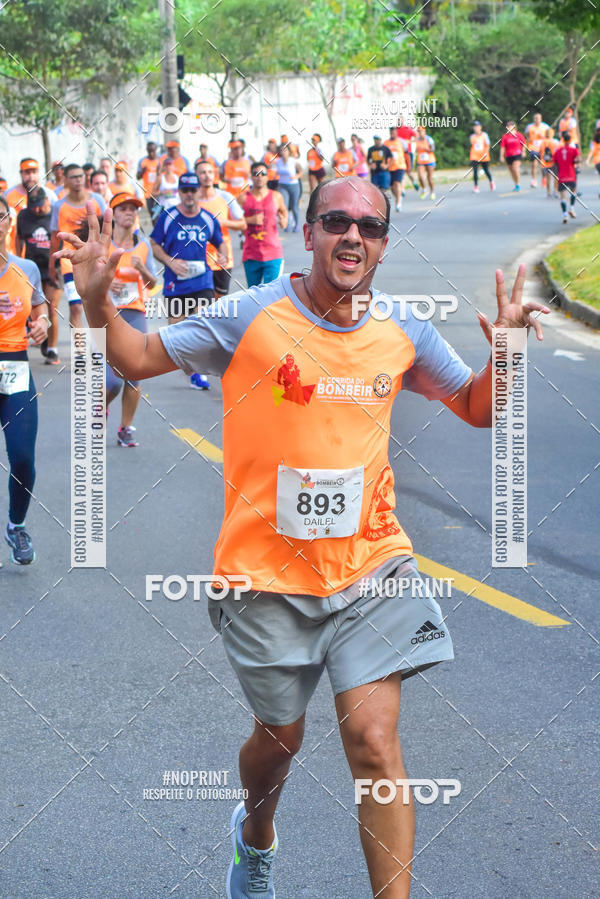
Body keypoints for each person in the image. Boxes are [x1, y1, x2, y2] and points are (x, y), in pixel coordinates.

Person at [61, 174, 549, 899]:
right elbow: (134, 359)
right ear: (309, 231)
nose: (353, 234)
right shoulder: (248, 316)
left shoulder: (403, 329)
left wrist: (506, 349)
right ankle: (254, 834)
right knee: (279, 743)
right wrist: (98, 300)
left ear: (383, 246)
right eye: (336, 220)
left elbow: (477, 406)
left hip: (371, 564)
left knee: (376, 743)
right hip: (265, 575)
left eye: (370, 226)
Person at [0, 193, 49, 565]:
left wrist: (43, 322)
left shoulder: (26, 268)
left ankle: (16, 525)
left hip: (15, 367)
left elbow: (39, 306)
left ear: (8, 222)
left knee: (22, 458)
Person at [149, 172, 226, 390]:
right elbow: (154, 243)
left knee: (203, 327)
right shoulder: (168, 216)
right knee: (176, 333)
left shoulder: (208, 218)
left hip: (202, 282)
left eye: (193, 190)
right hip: (175, 283)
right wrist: (168, 262)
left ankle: (198, 374)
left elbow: (220, 242)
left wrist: (222, 255)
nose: (189, 195)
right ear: (179, 192)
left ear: (199, 191)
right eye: (185, 191)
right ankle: (191, 371)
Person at [103, 193, 157, 446]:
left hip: (135, 313)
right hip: (105, 314)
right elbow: (89, 279)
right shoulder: (103, 245)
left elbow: (153, 282)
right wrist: (105, 282)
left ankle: (125, 428)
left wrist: (143, 269)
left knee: (135, 374)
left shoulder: (143, 245)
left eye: (132, 209)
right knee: (112, 381)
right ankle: (99, 408)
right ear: (113, 214)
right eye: (123, 209)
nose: (129, 213)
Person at [49, 163, 106, 329]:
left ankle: (98, 352)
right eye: (73, 177)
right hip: (70, 263)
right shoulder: (58, 206)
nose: (78, 180)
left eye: (81, 176)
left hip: (95, 261)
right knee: (75, 308)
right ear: (65, 179)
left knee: (96, 307)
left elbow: (106, 232)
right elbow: (54, 238)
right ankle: (80, 353)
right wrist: (52, 266)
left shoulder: (97, 200)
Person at [15, 187, 62, 365]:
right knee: (31, 307)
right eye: (32, 206)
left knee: (52, 307)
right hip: (31, 266)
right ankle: (42, 336)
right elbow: (19, 238)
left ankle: (52, 350)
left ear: (47, 201)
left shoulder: (54, 216)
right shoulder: (23, 216)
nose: (36, 209)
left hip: (54, 266)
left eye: (40, 206)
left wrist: (57, 266)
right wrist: (18, 261)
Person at [196, 159, 246, 298]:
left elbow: (242, 225)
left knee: (220, 303)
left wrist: (223, 222)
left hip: (222, 258)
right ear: (196, 175)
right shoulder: (191, 200)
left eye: (210, 172)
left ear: (215, 175)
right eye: (203, 172)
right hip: (198, 259)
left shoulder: (225, 196)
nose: (207, 176)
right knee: (201, 304)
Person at [242, 161, 287, 286]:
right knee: (253, 296)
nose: (259, 177)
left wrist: (284, 220)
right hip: (251, 254)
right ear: (251, 176)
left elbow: (283, 212)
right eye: (256, 174)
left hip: (273, 254)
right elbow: (235, 222)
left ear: (267, 176)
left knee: (272, 295)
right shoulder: (243, 198)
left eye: (263, 174)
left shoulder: (276, 196)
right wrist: (250, 220)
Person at [5, 158, 57, 251]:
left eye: (34, 172)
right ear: (21, 173)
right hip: (14, 250)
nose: (31, 176)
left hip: (43, 250)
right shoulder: (8, 195)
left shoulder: (49, 195)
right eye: (27, 173)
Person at [553, 133, 581, 224]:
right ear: (570, 140)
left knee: (563, 197)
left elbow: (554, 164)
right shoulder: (574, 150)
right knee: (574, 192)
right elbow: (578, 160)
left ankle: (565, 215)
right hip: (571, 175)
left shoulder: (558, 151)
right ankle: (572, 208)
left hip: (562, 176)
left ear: (563, 140)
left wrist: (556, 174)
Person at [274, 144, 302, 232]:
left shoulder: (293, 161)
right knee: (283, 206)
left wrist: (296, 176)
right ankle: (286, 224)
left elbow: (301, 172)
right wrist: (274, 176)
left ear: (289, 152)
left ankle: (296, 225)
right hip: (282, 185)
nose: (283, 152)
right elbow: (275, 172)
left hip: (294, 185)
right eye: (282, 150)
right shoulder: (278, 162)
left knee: (294, 207)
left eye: (285, 150)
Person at [499, 120, 527, 191]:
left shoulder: (519, 135)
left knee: (515, 168)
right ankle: (516, 184)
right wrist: (501, 156)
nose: (508, 127)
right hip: (508, 155)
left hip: (517, 154)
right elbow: (503, 147)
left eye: (510, 126)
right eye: (507, 126)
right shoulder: (505, 136)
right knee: (511, 170)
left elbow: (524, 144)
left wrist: (523, 152)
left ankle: (518, 184)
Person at [384, 126, 407, 210]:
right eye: (391, 133)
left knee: (397, 183)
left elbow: (407, 153)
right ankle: (399, 197)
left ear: (396, 133)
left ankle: (398, 203)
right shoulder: (386, 143)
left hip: (400, 166)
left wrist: (409, 165)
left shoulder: (401, 142)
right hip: (390, 167)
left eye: (393, 133)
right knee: (392, 187)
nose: (392, 134)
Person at [469, 121, 495, 192]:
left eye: (477, 126)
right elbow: (472, 145)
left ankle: (491, 181)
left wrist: (486, 153)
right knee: (475, 171)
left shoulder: (484, 135)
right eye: (475, 126)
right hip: (474, 156)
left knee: (486, 170)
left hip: (484, 156)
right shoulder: (472, 137)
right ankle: (476, 186)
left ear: (480, 127)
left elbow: (487, 145)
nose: (476, 128)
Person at [137, 141, 161, 217]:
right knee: (152, 215)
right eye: (149, 151)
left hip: (159, 192)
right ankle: (155, 228)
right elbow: (138, 177)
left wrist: (159, 172)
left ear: (156, 150)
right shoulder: (142, 161)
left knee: (160, 214)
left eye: (153, 151)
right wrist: (142, 172)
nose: (151, 153)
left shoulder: (160, 161)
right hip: (148, 193)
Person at [525, 112, 549, 188]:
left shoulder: (545, 126)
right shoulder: (530, 126)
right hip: (533, 148)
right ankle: (534, 180)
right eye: (535, 118)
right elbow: (527, 134)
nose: (536, 120)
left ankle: (544, 178)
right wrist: (529, 140)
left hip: (543, 149)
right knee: (534, 164)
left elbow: (549, 137)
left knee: (543, 165)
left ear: (541, 119)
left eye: (537, 118)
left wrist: (543, 137)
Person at [396, 116, 419, 192]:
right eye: (398, 120)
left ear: (403, 121)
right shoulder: (395, 130)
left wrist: (410, 142)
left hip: (407, 152)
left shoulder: (407, 129)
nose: (399, 122)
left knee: (408, 171)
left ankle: (414, 182)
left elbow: (416, 136)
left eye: (400, 120)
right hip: (399, 154)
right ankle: (402, 189)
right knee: (400, 171)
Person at [415, 126, 436, 199]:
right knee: (420, 176)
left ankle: (432, 192)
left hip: (430, 160)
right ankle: (424, 189)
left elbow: (432, 149)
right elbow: (415, 149)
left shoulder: (428, 139)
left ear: (424, 132)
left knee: (429, 178)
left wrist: (425, 149)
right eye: (419, 131)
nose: (420, 133)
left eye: (421, 131)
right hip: (421, 161)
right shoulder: (417, 140)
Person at [539, 127, 560, 197]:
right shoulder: (555, 142)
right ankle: (556, 191)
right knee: (556, 177)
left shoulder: (542, 142)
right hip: (553, 162)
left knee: (548, 178)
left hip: (545, 162)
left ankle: (548, 192)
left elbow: (540, 152)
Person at [585, 128, 600, 197]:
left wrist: (588, 160)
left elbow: (591, 151)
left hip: (597, 161)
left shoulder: (593, 142)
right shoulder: (593, 142)